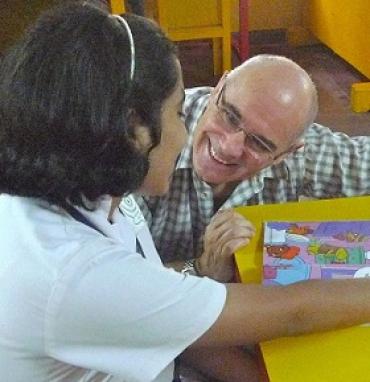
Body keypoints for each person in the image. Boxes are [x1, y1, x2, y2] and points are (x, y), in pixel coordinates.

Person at [2, 3, 370, 382]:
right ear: (133, 130)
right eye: (179, 113)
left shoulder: (94, 186)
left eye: (259, 142)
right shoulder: (78, 273)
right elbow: (293, 312)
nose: (190, 134)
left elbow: (170, 314)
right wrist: (202, 272)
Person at [135, 54, 370, 282]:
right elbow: (115, 287)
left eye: (258, 143)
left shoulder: (300, 152)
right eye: (229, 116)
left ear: (285, 154)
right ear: (218, 88)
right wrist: (201, 268)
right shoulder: (145, 142)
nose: (229, 147)